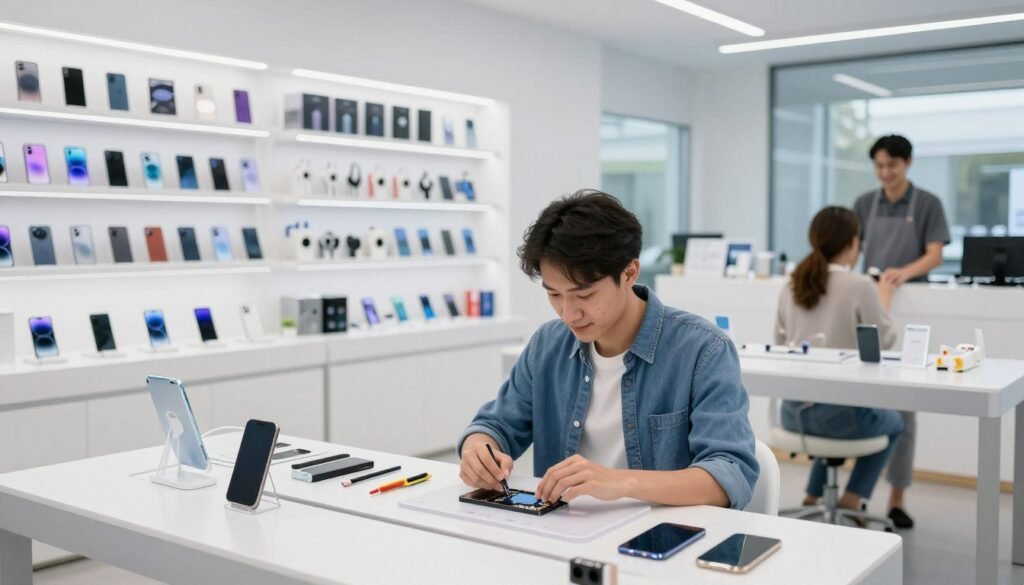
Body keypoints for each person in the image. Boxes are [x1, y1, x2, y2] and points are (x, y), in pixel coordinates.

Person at [458, 190, 759, 509]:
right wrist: (479, 447)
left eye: (584, 296)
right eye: (554, 295)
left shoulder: (703, 350)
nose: (567, 314)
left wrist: (621, 481)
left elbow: (729, 475)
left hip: (661, 538)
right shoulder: (548, 344)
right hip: (564, 533)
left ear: (629, 273)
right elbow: (496, 425)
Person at [776, 206, 905, 523]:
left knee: (830, 404)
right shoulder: (860, 286)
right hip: (841, 419)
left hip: (792, 415)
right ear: (851, 243)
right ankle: (852, 497)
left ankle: (812, 495)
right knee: (895, 423)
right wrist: (883, 295)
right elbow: (885, 340)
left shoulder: (792, 283)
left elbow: (779, 347)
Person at [853, 134, 950, 529]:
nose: (885, 173)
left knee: (904, 404)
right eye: (879, 165)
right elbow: (851, 248)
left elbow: (936, 253)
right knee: (863, 397)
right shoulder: (864, 203)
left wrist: (902, 274)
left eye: (892, 165)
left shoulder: (927, 203)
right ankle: (854, 496)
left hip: (910, 303)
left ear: (908, 163)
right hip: (872, 301)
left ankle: (897, 497)